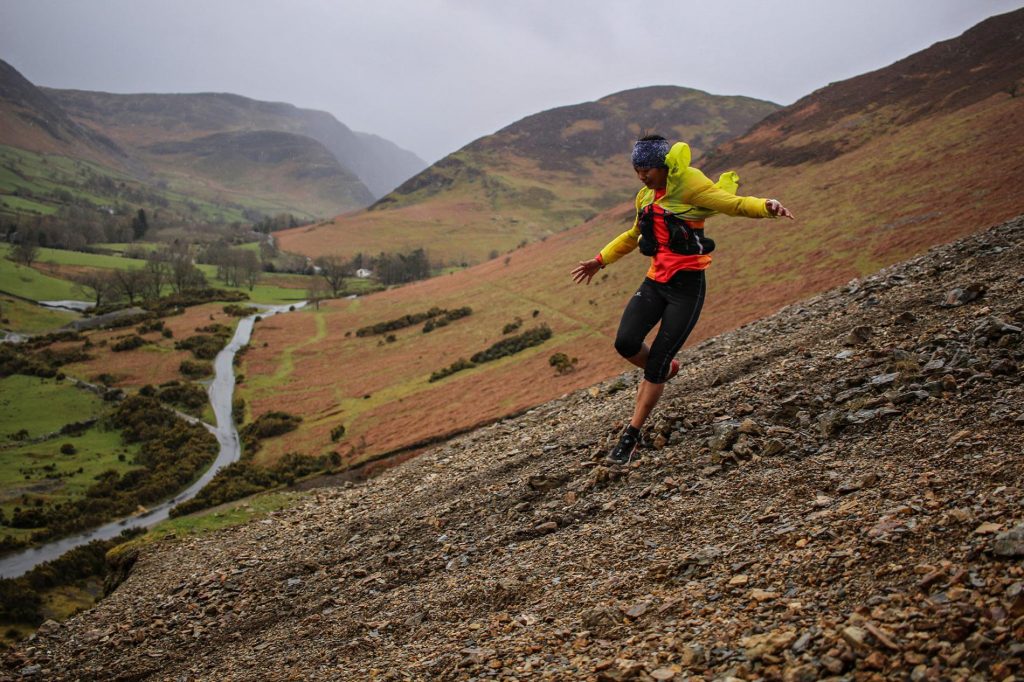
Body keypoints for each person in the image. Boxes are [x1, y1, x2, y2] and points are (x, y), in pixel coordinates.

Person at [571, 134, 794, 464]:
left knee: (656, 362)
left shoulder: (691, 187)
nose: (642, 176)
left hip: (687, 289)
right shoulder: (645, 198)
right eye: (637, 169)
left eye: (647, 169)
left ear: (664, 166)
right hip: (654, 282)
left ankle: (631, 435)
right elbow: (634, 235)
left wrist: (766, 206)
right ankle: (664, 369)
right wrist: (599, 260)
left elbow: (733, 204)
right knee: (626, 342)